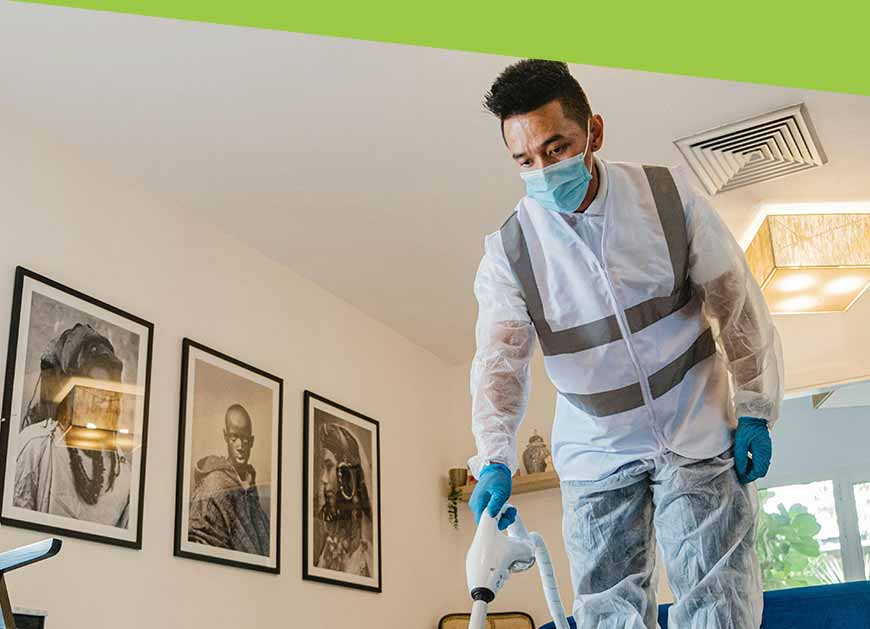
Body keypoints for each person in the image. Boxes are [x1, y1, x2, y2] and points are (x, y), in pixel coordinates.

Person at [468, 60, 783, 628]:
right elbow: (500, 363)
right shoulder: (510, 252)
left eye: (556, 148)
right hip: (598, 446)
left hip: (694, 421)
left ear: (594, 132)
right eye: (524, 160)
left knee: (717, 598)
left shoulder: (666, 197)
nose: (542, 170)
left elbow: (736, 304)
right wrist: (495, 456)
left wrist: (757, 407)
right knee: (607, 608)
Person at [13, 323, 132, 528]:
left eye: (108, 391)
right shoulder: (36, 446)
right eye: (91, 389)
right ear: (68, 392)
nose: (102, 400)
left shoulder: (121, 468)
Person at [188, 404, 270, 556]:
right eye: (234, 438)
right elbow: (200, 541)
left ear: (252, 441)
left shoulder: (250, 486)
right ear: (226, 436)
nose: (240, 446)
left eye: (245, 440)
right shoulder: (213, 484)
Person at [314, 421, 373, 577]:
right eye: (323, 468)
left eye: (328, 466)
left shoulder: (364, 561)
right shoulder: (328, 547)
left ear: (345, 473)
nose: (323, 479)